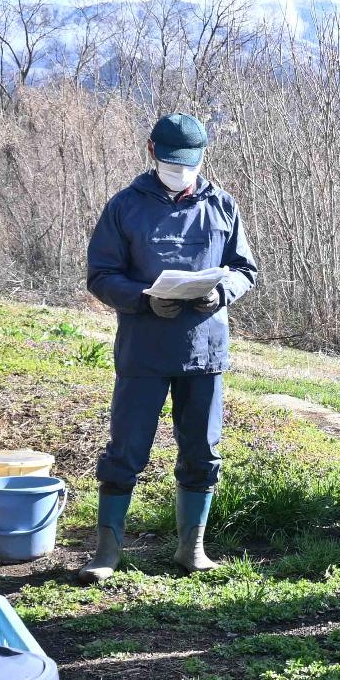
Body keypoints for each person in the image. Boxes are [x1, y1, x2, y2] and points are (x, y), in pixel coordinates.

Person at [83, 113, 258, 582]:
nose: (181, 170)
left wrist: (221, 292)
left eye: (190, 163)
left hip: (204, 351)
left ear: (203, 158)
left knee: (202, 449)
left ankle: (192, 547)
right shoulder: (124, 207)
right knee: (126, 449)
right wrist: (141, 299)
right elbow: (100, 275)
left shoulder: (222, 206)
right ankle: (107, 552)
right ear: (151, 151)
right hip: (144, 350)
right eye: (172, 161)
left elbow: (244, 269)